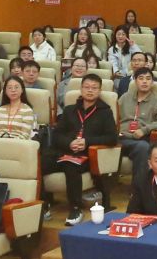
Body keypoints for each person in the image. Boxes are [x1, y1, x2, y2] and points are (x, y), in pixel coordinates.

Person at [49, 73, 118, 216]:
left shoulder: (105, 112)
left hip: (88, 155)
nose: (90, 90)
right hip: (66, 151)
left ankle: (75, 209)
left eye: (94, 88)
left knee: (71, 166)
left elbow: (112, 138)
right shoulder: (70, 110)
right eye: (87, 87)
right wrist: (69, 143)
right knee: (41, 161)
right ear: (81, 89)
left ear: (99, 91)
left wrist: (87, 142)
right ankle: (45, 204)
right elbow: (56, 135)